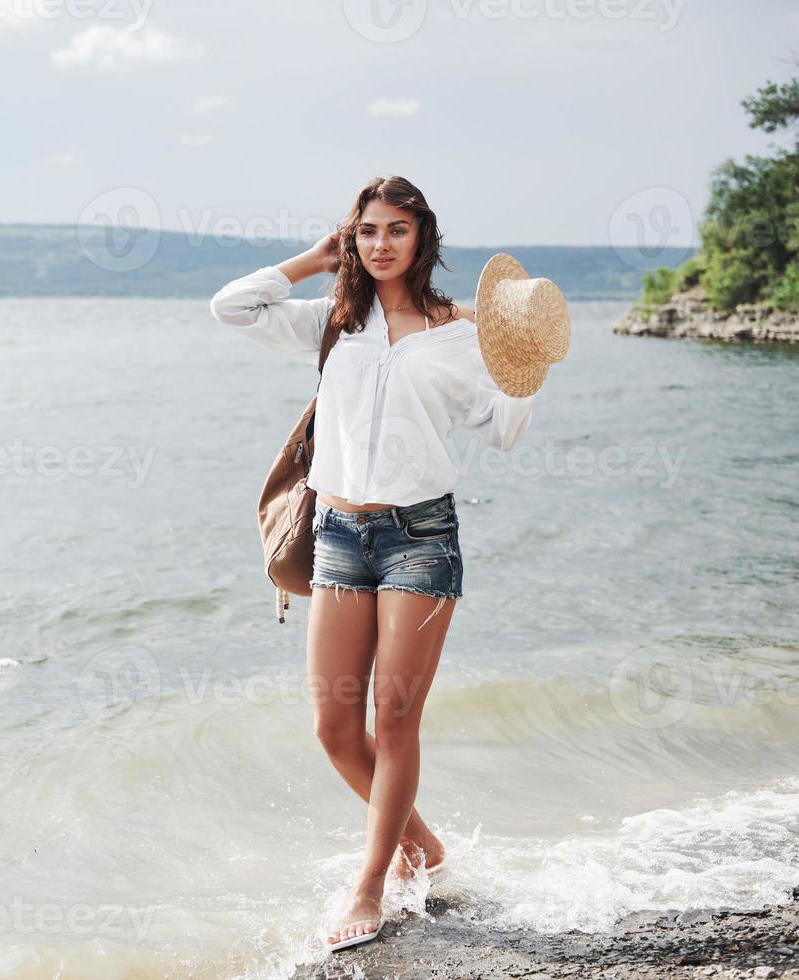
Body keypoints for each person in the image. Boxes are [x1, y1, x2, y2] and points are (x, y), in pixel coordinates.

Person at [208, 175, 543, 951]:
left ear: (422, 238)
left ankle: (371, 882)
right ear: (351, 239)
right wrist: (309, 260)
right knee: (333, 726)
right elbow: (230, 306)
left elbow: (502, 430)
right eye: (366, 231)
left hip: (420, 538)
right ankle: (423, 847)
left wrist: (527, 368)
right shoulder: (333, 321)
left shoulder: (462, 333)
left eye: (396, 229)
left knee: (393, 719)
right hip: (335, 535)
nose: (380, 244)